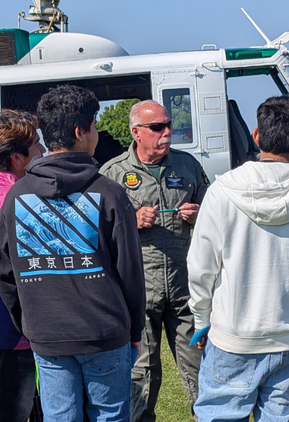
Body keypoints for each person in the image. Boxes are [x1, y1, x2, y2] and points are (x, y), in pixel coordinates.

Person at [0, 84, 145, 422]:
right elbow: (131, 271)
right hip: (105, 332)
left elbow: (3, 274)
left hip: (47, 334)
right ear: (80, 131)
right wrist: (134, 331)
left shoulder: (16, 196)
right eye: (94, 125)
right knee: (110, 416)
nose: (96, 133)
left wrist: (29, 323)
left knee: (60, 417)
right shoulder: (108, 192)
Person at [188, 95, 289, 422]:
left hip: (232, 333)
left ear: (256, 135)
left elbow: (201, 269)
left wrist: (202, 318)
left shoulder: (222, 191)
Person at [100, 100, 207, 422]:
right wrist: (129, 221)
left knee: (201, 369)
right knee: (142, 375)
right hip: (139, 290)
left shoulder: (186, 166)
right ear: (136, 132)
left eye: (168, 125)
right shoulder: (113, 173)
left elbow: (214, 215)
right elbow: (97, 232)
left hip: (184, 286)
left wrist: (199, 215)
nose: (166, 133)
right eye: (157, 127)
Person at [0, 111, 44, 422]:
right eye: (36, 146)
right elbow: (19, 264)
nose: (42, 151)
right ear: (17, 157)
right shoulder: (9, 195)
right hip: (8, 320)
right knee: (7, 410)